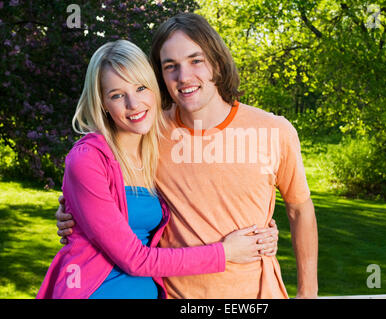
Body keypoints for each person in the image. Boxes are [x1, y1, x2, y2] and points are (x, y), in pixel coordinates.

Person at [57, 12, 318, 299]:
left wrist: (307, 292)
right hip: (176, 295)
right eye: (171, 67)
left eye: (196, 61)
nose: (184, 77)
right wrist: (72, 214)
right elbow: (105, 180)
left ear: (217, 62)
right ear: (160, 77)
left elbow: (299, 209)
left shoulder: (274, 130)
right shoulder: (151, 132)